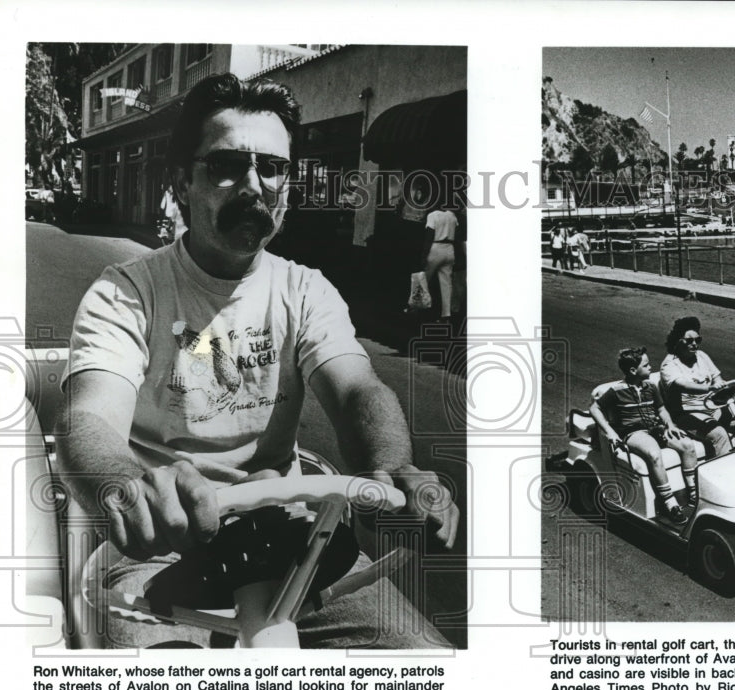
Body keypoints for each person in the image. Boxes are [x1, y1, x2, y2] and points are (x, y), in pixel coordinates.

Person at [56, 73, 458, 649]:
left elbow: (356, 390)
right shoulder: (126, 291)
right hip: (164, 543)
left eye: (272, 168)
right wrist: (127, 488)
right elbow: (87, 420)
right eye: (226, 166)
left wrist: (392, 466)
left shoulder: (306, 290)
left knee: (428, 666)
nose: (254, 185)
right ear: (181, 183)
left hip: (295, 532)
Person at [589, 346, 698, 523]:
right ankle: (669, 503)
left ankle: (694, 494)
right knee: (654, 454)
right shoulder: (616, 391)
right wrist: (609, 432)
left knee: (687, 445)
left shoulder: (651, 387)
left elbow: (661, 409)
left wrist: (669, 425)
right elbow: (594, 408)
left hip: (656, 428)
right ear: (633, 370)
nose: (650, 367)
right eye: (646, 365)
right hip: (634, 432)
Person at [659, 316, 735, 456]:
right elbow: (683, 385)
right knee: (719, 434)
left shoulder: (701, 356)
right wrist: (709, 388)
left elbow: (717, 379)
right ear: (677, 341)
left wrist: (725, 388)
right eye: (689, 341)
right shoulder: (669, 364)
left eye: (698, 340)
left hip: (712, 408)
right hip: (687, 415)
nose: (695, 344)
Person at [420, 203, 458, 322]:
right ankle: (446, 314)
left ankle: (417, 307)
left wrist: (424, 256)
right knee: (446, 283)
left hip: (436, 247)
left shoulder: (432, 215)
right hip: (449, 249)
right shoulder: (452, 216)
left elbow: (429, 236)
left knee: (424, 279)